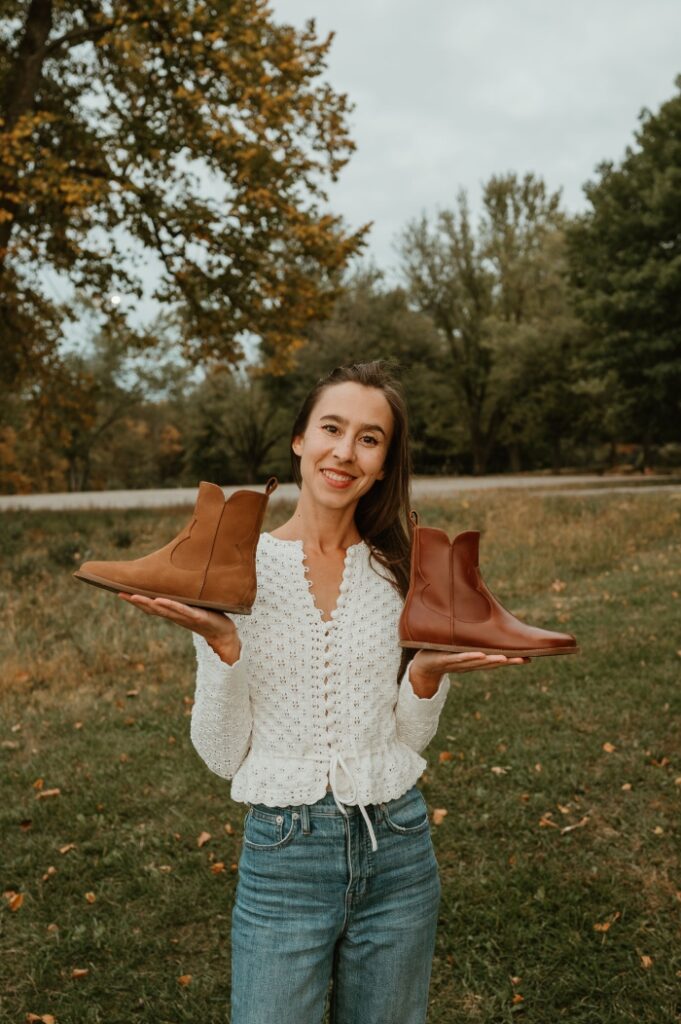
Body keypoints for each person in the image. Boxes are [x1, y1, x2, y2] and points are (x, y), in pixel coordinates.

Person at [118, 360, 528, 1024]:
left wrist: (424, 677)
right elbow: (223, 757)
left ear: (385, 460)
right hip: (285, 861)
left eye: (369, 438)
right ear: (299, 440)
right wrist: (225, 649)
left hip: (398, 848)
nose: (345, 452)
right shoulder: (234, 571)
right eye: (331, 429)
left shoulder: (400, 572)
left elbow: (403, 740)